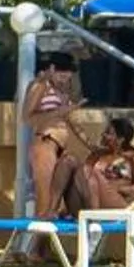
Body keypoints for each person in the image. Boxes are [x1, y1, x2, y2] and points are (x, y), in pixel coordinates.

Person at [22, 52, 88, 218]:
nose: (65, 78)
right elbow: (27, 117)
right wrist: (60, 111)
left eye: (68, 74)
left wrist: (90, 144)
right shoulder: (40, 86)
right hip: (45, 142)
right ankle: (37, 243)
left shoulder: (62, 92)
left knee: (57, 203)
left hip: (61, 147)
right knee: (45, 203)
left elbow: (71, 122)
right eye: (61, 73)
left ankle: (47, 242)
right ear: (51, 69)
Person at [79, 118, 134, 211]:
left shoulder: (132, 157)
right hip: (90, 197)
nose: (103, 135)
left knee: (90, 171)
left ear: (120, 139)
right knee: (68, 163)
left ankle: (93, 217)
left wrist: (119, 188)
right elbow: (83, 177)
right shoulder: (97, 155)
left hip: (116, 200)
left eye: (108, 133)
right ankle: (56, 212)